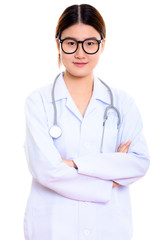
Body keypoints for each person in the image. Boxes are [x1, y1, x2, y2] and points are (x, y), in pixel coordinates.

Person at [23, 4, 150, 240]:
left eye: (90, 43)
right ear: (58, 44)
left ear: (102, 44)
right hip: (53, 228)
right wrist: (110, 178)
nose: (80, 53)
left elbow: (138, 163)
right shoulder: (38, 101)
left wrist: (71, 164)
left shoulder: (122, 103)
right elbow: (46, 169)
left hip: (109, 228)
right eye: (71, 43)